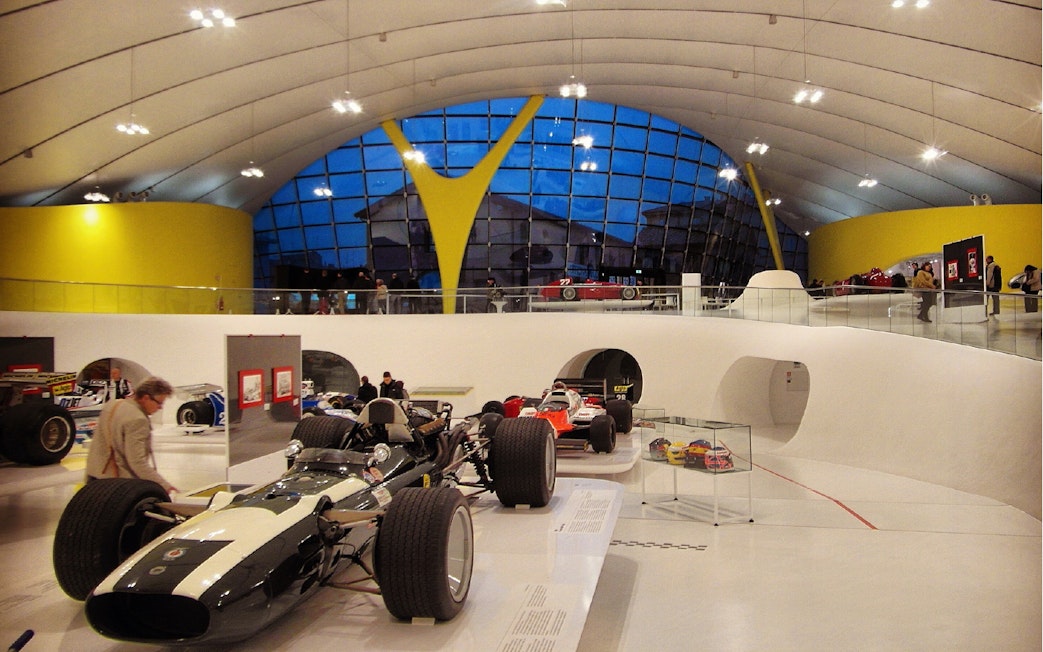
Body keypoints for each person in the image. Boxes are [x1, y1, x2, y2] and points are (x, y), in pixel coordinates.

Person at [85, 376, 177, 495]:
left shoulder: (113, 405)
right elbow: (137, 462)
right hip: (116, 485)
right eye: (159, 403)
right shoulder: (138, 419)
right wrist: (165, 486)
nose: (160, 408)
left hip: (94, 476)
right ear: (146, 398)